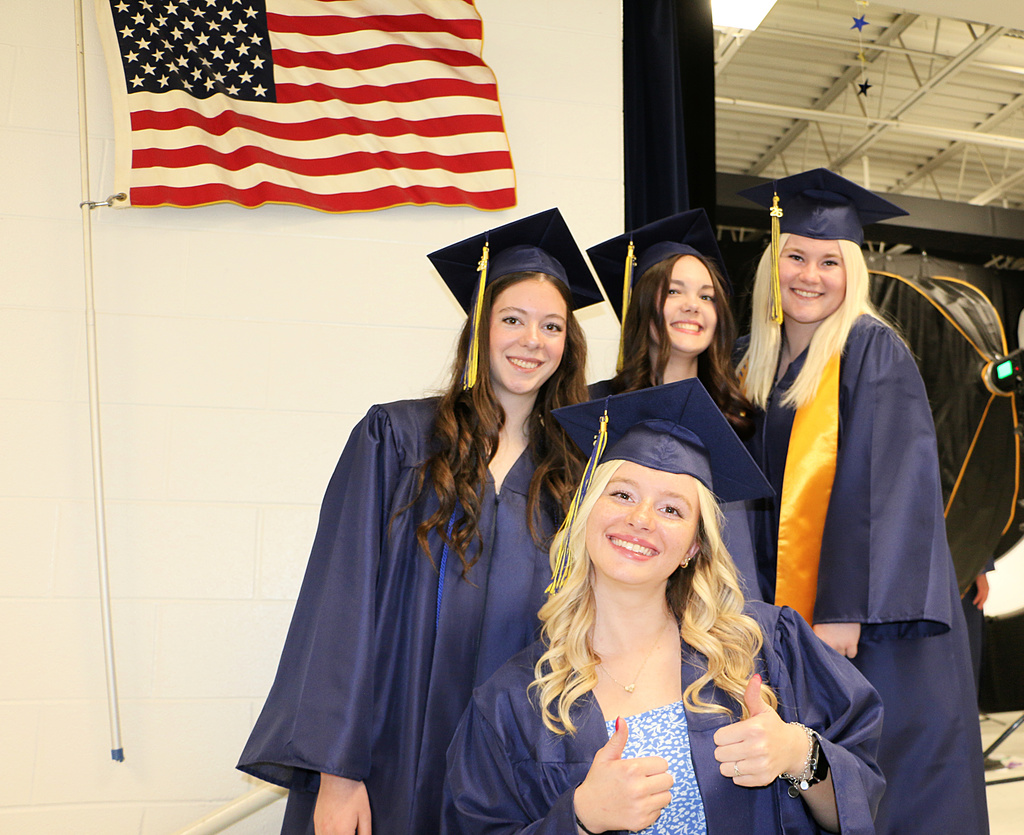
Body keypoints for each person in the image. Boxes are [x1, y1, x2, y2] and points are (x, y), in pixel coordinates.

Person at [237, 208, 603, 835]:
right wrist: (338, 774)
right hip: (386, 747)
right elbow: (340, 606)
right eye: (512, 320)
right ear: (480, 329)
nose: (531, 341)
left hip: (509, 758)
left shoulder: (574, 472)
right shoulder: (397, 439)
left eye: (551, 326)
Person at [444, 380, 884, 835]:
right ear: (585, 512)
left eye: (672, 509)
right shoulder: (515, 701)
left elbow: (857, 805)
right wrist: (577, 820)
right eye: (622, 495)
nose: (641, 519)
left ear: (694, 546)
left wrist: (798, 753)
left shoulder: (765, 648)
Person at [737, 169, 989, 834]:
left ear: (853, 270)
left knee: (891, 780)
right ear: (773, 260)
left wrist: (844, 609)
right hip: (790, 618)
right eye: (795, 256)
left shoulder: (871, 348)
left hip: (871, 625)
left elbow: (888, 483)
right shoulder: (753, 362)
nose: (810, 275)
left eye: (830, 261)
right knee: (816, 778)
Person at [585, 210, 759, 589]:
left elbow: (743, 549)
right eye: (674, 291)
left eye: (707, 296)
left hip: (713, 612)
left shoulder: (738, 417)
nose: (693, 305)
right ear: (643, 302)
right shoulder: (599, 410)